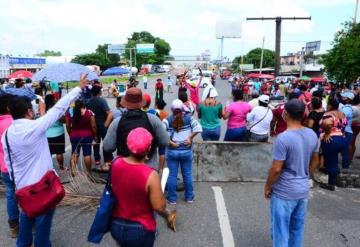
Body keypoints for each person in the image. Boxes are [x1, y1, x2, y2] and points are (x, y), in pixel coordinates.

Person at [2, 75, 88, 247]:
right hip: (42, 187)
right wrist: (79, 88)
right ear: (29, 112)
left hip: (23, 189)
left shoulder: (6, 135)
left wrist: (17, 183)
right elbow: (58, 109)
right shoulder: (35, 127)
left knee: (26, 217)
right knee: (42, 225)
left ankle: (23, 244)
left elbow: (8, 162)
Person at [264, 99, 319, 247]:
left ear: (285, 114)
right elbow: (315, 161)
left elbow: (276, 169)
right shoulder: (312, 134)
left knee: (280, 231)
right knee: (297, 229)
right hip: (302, 189)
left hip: (284, 191)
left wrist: (268, 186)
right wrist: (305, 175)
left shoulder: (283, 138)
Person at [110, 127, 176, 247]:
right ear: (149, 149)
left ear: (128, 145)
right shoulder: (151, 175)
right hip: (139, 229)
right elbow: (159, 207)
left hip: (116, 224)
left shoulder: (116, 163)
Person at [103, 87, 169, 169]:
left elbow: (107, 146)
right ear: (141, 103)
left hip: (125, 167)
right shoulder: (153, 119)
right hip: (148, 168)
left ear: (125, 103)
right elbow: (165, 141)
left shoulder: (117, 122)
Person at [163, 99, 202, 204]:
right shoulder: (189, 118)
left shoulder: (167, 120)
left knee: (172, 175)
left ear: (172, 110)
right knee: (187, 174)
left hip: (172, 152)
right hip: (186, 151)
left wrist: (171, 142)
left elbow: (160, 133)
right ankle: (189, 197)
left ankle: (172, 199)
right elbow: (198, 128)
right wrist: (190, 138)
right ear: (182, 109)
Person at [0, 93, 19, 238]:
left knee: (10, 195)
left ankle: (14, 226)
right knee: (25, 193)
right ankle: (27, 223)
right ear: (8, 107)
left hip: (3, 167)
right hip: (17, 166)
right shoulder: (13, 123)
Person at [320, 97, 348, 191]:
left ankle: (331, 184)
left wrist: (327, 133)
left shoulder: (328, 114)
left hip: (332, 139)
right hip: (342, 138)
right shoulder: (342, 114)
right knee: (341, 160)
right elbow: (344, 125)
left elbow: (327, 124)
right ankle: (340, 179)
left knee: (332, 163)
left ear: (330, 106)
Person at [66, 99, 97, 175]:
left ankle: (73, 172)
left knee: (74, 153)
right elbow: (93, 126)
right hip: (87, 136)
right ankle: (88, 172)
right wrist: (95, 136)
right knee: (87, 154)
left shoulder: (70, 113)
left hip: (74, 135)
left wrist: (70, 133)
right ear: (84, 105)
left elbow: (67, 125)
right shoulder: (89, 112)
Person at [86, 85, 113, 170]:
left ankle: (97, 159)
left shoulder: (88, 102)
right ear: (99, 92)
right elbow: (109, 113)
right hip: (102, 125)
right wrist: (106, 124)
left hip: (93, 125)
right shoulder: (102, 101)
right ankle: (107, 159)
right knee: (106, 142)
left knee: (96, 142)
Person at [45, 94, 66, 172]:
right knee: (59, 152)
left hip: (47, 134)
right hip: (58, 133)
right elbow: (63, 120)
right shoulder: (56, 110)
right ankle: (61, 167)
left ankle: (49, 169)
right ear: (53, 100)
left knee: (48, 153)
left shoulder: (44, 111)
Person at [340, 91, 354, 170]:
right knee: (344, 151)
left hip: (346, 132)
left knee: (345, 152)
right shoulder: (346, 107)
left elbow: (341, 121)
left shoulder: (347, 109)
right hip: (346, 132)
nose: (342, 98)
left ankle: (345, 169)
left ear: (348, 100)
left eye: (344, 97)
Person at [350, 94, 360, 161]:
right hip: (358, 125)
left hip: (353, 125)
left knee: (351, 142)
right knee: (353, 141)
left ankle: (349, 159)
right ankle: (350, 158)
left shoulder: (352, 108)